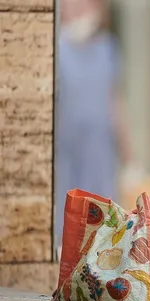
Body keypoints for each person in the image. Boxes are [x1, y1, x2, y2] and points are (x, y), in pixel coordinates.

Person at [55, 0, 132, 253]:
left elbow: (115, 101)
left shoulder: (108, 49)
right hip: (65, 149)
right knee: (65, 221)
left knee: (101, 221)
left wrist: (128, 152)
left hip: (99, 148)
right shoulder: (57, 49)